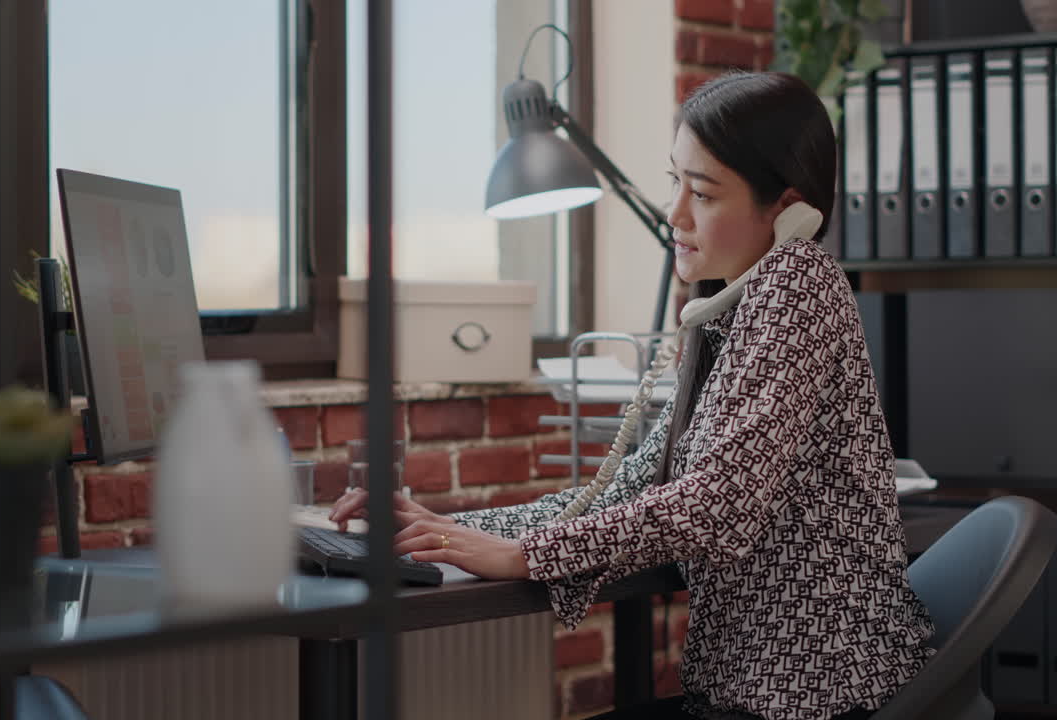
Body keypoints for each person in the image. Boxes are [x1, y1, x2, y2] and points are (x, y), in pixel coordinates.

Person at [330, 71, 933, 720]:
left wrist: (525, 555)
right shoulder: (727, 311)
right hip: (748, 697)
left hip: (815, 699)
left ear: (789, 211)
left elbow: (719, 506)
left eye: (703, 193)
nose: (675, 214)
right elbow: (628, 491)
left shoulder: (798, 284)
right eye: (675, 182)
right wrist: (448, 528)